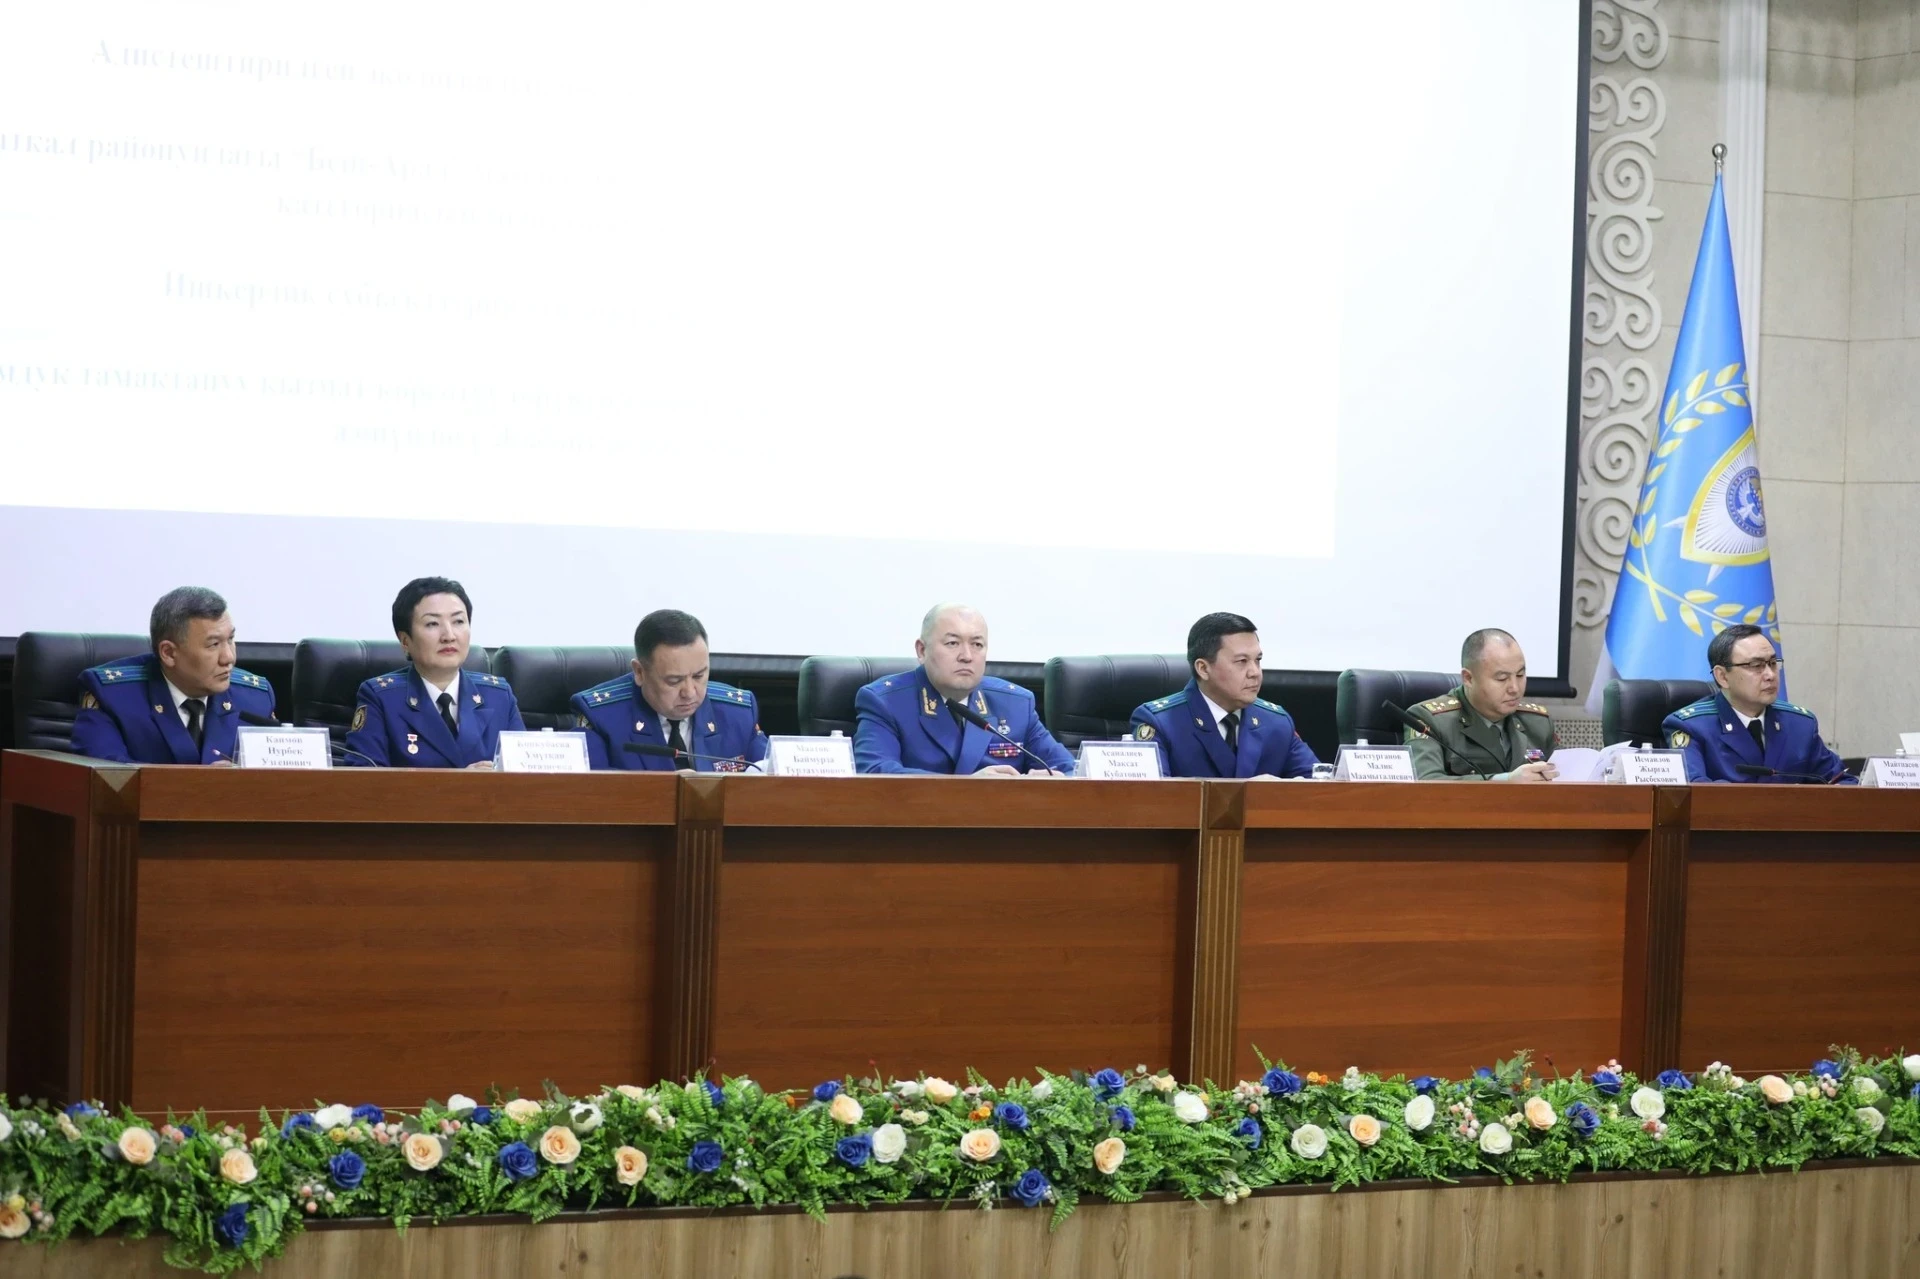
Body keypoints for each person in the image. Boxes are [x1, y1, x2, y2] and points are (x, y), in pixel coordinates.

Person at [854, 603, 1075, 775]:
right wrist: (969, 788)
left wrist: (1049, 779)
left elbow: (1068, 769)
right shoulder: (885, 702)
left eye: (977, 644)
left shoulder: (1015, 704)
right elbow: (875, 772)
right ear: (922, 650)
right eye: (952, 643)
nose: (967, 656)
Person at [71, 586, 275, 765]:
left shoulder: (256, 699)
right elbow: (105, 777)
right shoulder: (112, 696)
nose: (229, 657)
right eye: (213, 644)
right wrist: (203, 783)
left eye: (230, 639)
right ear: (168, 653)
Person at [345, 577, 524, 768]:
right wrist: (459, 782)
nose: (449, 636)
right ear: (405, 641)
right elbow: (362, 778)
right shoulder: (381, 698)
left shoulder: (499, 696)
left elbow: (527, 773)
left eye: (458, 621)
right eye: (432, 624)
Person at [571, 609, 767, 771]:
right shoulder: (600, 717)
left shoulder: (739, 714)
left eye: (699, 676)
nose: (690, 692)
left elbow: (772, 778)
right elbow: (591, 793)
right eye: (674, 681)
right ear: (639, 672)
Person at [1128, 612, 1319, 779]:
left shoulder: (1276, 722)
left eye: (1258, 660)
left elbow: (1321, 786)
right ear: (1203, 669)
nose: (1255, 672)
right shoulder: (1160, 723)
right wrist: (1254, 792)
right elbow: (1151, 798)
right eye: (1242, 661)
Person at [1661, 624, 1851, 783]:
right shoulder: (1691, 726)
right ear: (1723, 676)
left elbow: (1841, 781)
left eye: (1773, 663)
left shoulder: (1800, 724)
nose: (1770, 675)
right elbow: (1693, 792)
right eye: (1756, 665)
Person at [1403, 629, 1560, 781]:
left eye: (1520, 675)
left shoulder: (1538, 722)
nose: (1515, 688)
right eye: (1502, 678)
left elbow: (1565, 776)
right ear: (1468, 678)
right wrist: (1505, 781)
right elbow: (1426, 782)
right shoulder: (1430, 720)